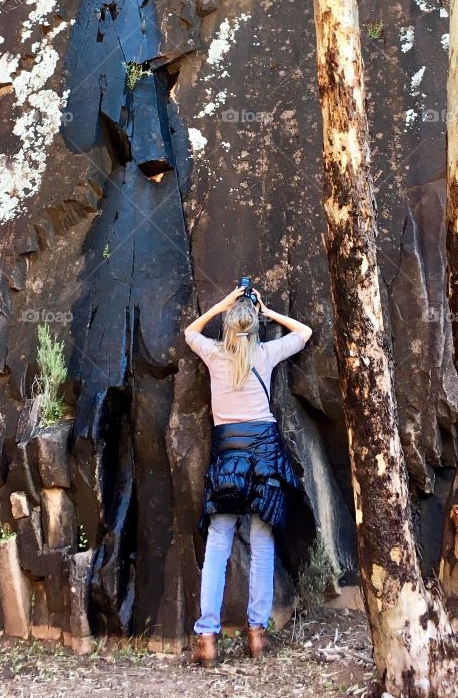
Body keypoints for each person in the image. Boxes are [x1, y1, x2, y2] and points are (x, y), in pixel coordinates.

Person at [184, 283, 312, 666]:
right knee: (262, 543)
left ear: (226, 329)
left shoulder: (214, 355)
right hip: (264, 455)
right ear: (255, 329)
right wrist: (268, 312)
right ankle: (256, 633)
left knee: (219, 543)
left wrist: (221, 304)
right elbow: (304, 333)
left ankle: (207, 636)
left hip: (228, 455)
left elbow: (190, 332)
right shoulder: (266, 353)